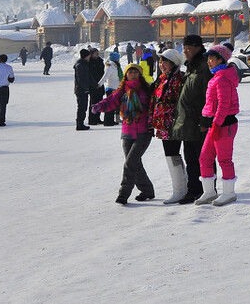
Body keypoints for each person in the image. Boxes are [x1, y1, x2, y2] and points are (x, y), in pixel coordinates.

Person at [91, 64, 155, 204]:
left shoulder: (147, 89)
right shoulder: (122, 91)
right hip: (127, 132)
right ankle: (147, 190)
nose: (132, 74)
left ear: (139, 74)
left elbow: (154, 107)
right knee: (135, 163)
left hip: (144, 133)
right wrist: (99, 106)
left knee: (130, 163)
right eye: (130, 72)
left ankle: (123, 194)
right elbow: (111, 100)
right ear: (125, 75)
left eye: (135, 72)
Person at [194, 44, 241, 206]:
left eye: (212, 58)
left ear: (221, 59)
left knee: (224, 159)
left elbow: (224, 105)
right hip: (214, 124)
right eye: (208, 58)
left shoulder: (222, 78)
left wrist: (216, 124)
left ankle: (229, 193)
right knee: (205, 157)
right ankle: (209, 192)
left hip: (224, 124)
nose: (209, 61)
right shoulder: (217, 76)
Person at [170, 35, 213, 205]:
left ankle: (208, 189)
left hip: (199, 122)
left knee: (203, 157)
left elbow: (208, 97)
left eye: (188, 48)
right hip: (188, 121)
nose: (185, 51)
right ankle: (194, 189)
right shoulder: (190, 66)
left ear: (197, 47)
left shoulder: (204, 66)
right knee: (191, 158)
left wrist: (205, 120)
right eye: (183, 48)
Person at [150, 48, 188, 204]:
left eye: (164, 61)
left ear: (173, 63)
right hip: (163, 123)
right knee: (171, 155)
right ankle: (180, 187)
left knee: (172, 153)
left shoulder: (178, 78)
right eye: (160, 61)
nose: (161, 64)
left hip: (173, 122)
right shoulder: (162, 78)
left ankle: (179, 190)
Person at [99, 52, 122, 127]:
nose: (119, 59)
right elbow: (105, 76)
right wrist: (99, 84)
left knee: (113, 106)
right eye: (118, 58)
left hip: (116, 88)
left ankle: (111, 120)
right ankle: (107, 122)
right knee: (109, 106)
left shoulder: (116, 66)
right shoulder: (110, 66)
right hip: (111, 88)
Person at [73, 50, 93, 131]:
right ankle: (79, 124)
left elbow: (88, 77)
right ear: (85, 56)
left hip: (82, 89)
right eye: (88, 56)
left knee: (83, 107)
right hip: (81, 90)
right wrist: (85, 89)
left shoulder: (84, 64)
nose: (89, 57)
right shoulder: (80, 65)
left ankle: (81, 123)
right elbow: (81, 79)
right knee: (81, 107)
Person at [86, 48, 105, 126]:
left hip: (100, 84)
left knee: (100, 102)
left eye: (98, 53)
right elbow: (89, 75)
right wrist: (93, 83)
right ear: (91, 54)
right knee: (93, 103)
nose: (97, 54)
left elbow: (103, 72)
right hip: (92, 85)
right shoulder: (89, 62)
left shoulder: (100, 61)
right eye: (95, 53)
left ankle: (98, 118)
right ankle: (92, 119)